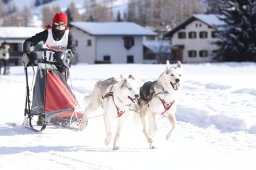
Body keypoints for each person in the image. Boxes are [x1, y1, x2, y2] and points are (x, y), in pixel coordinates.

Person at [23, 12, 76, 77]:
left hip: (62, 67)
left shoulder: (68, 35)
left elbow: (72, 50)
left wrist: (67, 54)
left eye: (62, 25)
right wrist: (28, 54)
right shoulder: (47, 33)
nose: (60, 27)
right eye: (57, 24)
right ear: (54, 24)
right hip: (47, 66)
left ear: (65, 25)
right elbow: (28, 42)